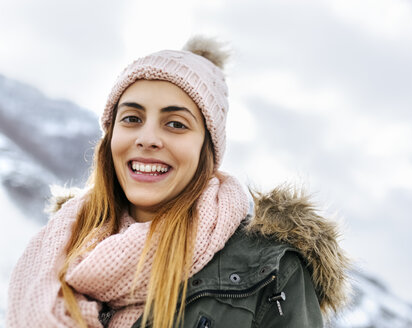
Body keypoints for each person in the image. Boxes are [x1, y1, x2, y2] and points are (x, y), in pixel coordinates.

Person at [6, 36, 349, 328]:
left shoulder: (272, 272)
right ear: (110, 137)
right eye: (131, 118)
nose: (148, 138)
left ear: (207, 150)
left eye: (176, 124)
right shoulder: (59, 243)